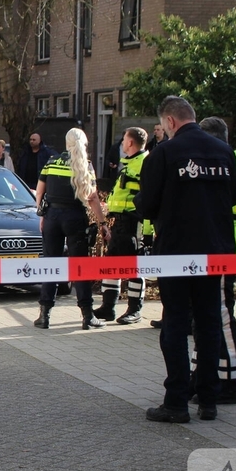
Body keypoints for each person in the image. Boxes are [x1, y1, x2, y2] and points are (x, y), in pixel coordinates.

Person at [135, 96, 236, 424]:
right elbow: (232, 195)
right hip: (216, 252)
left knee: (176, 323)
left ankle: (176, 401)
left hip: (176, 252)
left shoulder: (164, 153)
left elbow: (146, 204)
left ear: (169, 122)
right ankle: (208, 399)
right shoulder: (224, 152)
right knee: (209, 323)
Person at [188, 116, 236, 405]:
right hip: (216, 250)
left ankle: (229, 382)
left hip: (224, 253)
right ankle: (204, 375)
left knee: (222, 316)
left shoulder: (231, 166)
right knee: (206, 317)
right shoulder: (231, 163)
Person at [33, 128, 110, 331]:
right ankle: (87, 315)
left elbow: (40, 191)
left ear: (66, 143)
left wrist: (42, 215)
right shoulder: (86, 166)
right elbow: (93, 199)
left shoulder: (51, 161)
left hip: (52, 217)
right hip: (75, 218)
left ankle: (44, 316)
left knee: (50, 264)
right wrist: (102, 224)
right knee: (80, 267)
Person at [93, 127, 148, 324]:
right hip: (120, 223)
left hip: (134, 222)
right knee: (111, 265)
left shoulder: (144, 164)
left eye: (124, 139)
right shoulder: (129, 164)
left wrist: (147, 232)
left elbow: (148, 199)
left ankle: (135, 310)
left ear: (131, 142)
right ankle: (108, 308)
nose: (122, 143)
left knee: (135, 268)